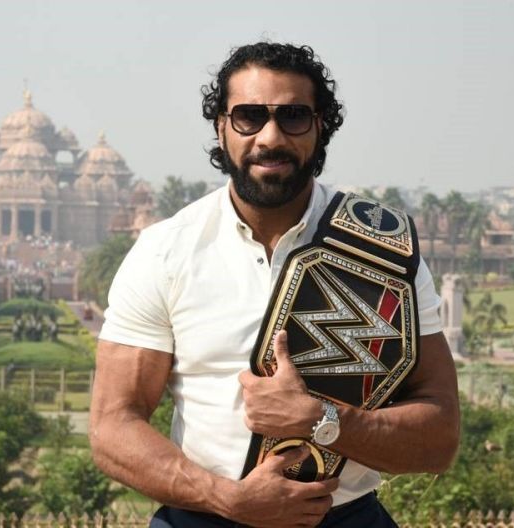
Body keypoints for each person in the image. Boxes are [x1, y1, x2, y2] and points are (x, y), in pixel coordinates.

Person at [89, 42, 460, 528]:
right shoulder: (166, 251)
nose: (270, 136)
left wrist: (319, 419)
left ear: (319, 127)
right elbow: (112, 427)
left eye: (293, 116)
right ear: (221, 127)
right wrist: (229, 500)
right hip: (203, 517)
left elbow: (439, 438)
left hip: (345, 517)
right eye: (248, 116)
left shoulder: (384, 250)